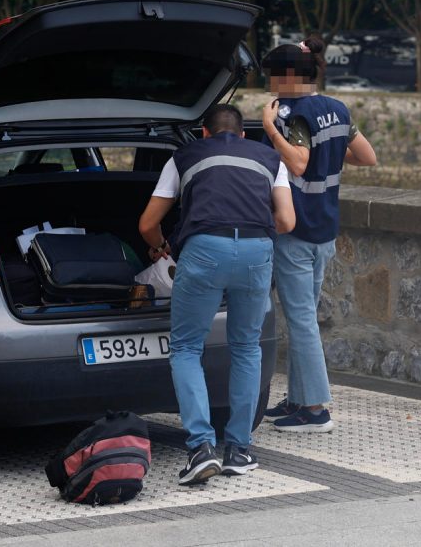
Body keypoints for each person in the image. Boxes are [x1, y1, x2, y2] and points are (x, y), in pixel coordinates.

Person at [138, 103, 294, 485]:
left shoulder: (184, 156)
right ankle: (239, 449)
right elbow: (288, 221)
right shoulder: (271, 159)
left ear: (204, 133)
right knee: (246, 346)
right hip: (258, 251)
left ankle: (201, 448)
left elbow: (147, 224)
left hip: (204, 250)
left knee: (188, 347)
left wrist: (161, 248)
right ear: (242, 135)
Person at [259, 36, 377, 432]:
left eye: (273, 75)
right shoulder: (338, 110)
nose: (271, 84)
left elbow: (296, 162)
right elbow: (367, 156)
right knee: (303, 316)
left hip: (296, 230)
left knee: (301, 319)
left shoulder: (292, 114)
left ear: (290, 75)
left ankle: (315, 409)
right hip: (325, 228)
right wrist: (331, 152)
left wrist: (270, 130)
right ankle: (296, 399)